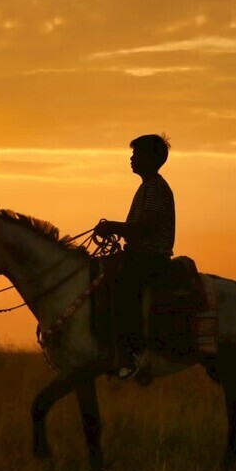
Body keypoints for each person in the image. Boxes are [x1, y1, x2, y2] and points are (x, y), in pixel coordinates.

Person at [94, 133, 175, 379]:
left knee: (122, 287)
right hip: (139, 255)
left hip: (151, 258)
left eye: (136, 154)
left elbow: (145, 228)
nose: (131, 158)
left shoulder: (156, 189)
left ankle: (132, 352)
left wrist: (113, 228)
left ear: (152, 158)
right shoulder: (147, 188)